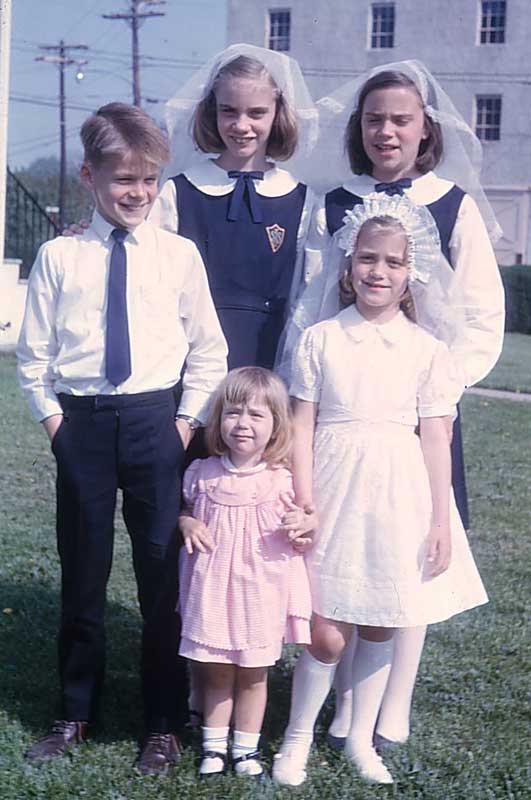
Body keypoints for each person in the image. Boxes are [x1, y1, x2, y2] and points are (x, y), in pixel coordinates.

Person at [281, 59, 504, 753]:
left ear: (424, 129)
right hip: (348, 408)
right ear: (359, 128)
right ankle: (344, 709)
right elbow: (311, 301)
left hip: (416, 413)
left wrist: (436, 388)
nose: (386, 131)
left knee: (409, 555)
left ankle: (391, 707)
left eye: (400, 120)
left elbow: (480, 313)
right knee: (347, 555)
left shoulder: (452, 202)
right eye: (374, 119)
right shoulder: (334, 203)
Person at [17, 102, 228, 774]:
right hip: (80, 424)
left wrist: (182, 421)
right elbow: (33, 358)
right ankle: (75, 710)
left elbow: (208, 350)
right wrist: (56, 427)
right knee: (83, 576)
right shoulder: (58, 256)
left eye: (148, 180)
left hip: (153, 424)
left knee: (161, 577)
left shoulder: (178, 256)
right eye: (122, 180)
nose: (136, 193)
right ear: (89, 176)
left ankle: (162, 722)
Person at [272, 194, 488, 786]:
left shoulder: (426, 350)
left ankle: (360, 739)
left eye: (393, 263)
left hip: (399, 494)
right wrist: (303, 498)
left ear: (409, 274)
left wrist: (440, 521)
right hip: (334, 487)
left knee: (383, 620)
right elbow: (303, 423)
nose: (378, 272)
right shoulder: (321, 339)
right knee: (325, 623)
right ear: (348, 267)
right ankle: (294, 740)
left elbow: (436, 439)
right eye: (368, 259)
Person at [177, 366, 313, 779]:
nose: (243, 424)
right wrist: (187, 523)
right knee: (215, 670)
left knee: (254, 675)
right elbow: (184, 511)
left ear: (275, 427)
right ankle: (214, 747)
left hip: (260, 593)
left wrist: (299, 529)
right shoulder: (201, 473)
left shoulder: (282, 480)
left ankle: (245, 750)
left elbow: (300, 536)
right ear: (219, 420)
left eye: (257, 415)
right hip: (212, 590)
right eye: (234, 413)